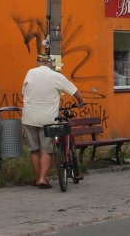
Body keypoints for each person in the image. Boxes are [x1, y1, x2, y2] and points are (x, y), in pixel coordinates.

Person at [22, 53, 85, 188]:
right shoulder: (56, 76)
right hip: (47, 118)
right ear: (50, 63)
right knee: (46, 149)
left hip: (29, 117)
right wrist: (81, 101)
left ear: (38, 63)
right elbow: (73, 90)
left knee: (34, 150)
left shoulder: (30, 73)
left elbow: (24, 92)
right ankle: (43, 179)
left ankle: (38, 178)